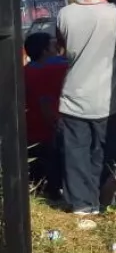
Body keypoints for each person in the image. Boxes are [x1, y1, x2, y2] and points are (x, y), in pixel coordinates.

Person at [56, 0, 116, 216]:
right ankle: (100, 200)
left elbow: (62, 48)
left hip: (74, 97)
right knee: (105, 155)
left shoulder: (65, 14)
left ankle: (82, 207)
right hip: (110, 100)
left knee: (76, 156)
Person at [24, 32, 68, 200]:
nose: (55, 48)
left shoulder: (25, 71)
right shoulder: (52, 69)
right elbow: (46, 103)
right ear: (44, 51)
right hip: (47, 126)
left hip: (30, 127)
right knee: (53, 166)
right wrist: (55, 122)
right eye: (52, 45)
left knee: (36, 167)